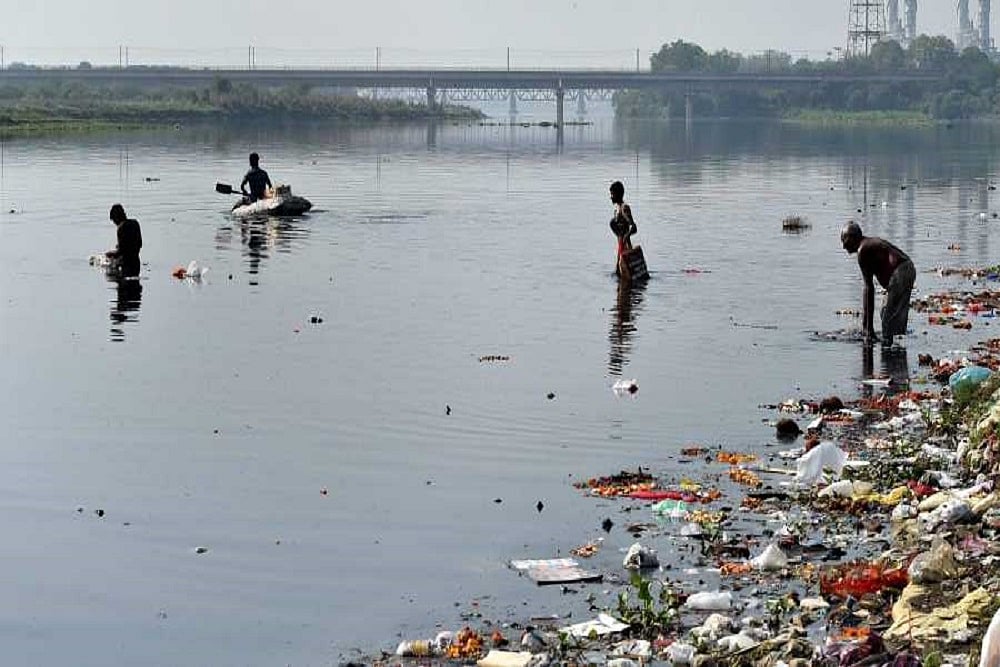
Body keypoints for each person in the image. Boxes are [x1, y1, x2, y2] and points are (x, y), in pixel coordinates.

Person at [840, 221, 915, 346]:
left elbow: (868, 288)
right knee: (886, 314)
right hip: (907, 269)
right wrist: (867, 327)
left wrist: (867, 329)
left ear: (852, 237)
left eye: (844, 240)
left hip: (902, 271)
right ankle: (894, 353)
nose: (843, 246)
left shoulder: (863, 250)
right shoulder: (867, 246)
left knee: (888, 318)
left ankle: (889, 350)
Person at [105, 204, 142, 278]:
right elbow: (139, 244)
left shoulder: (121, 227)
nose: (115, 223)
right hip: (136, 263)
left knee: (109, 275)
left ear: (116, 217)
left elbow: (121, 251)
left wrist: (109, 254)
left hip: (126, 264)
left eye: (114, 221)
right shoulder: (135, 223)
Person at [609, 181, 637, 276]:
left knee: (625, 277)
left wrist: (625, 237)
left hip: (626, 248)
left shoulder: (624, 208)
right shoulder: (616, 209)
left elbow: (634, 227)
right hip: (620, 247)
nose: (611, 197)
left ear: (617, 194)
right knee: (619, 274)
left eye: (612, 194)